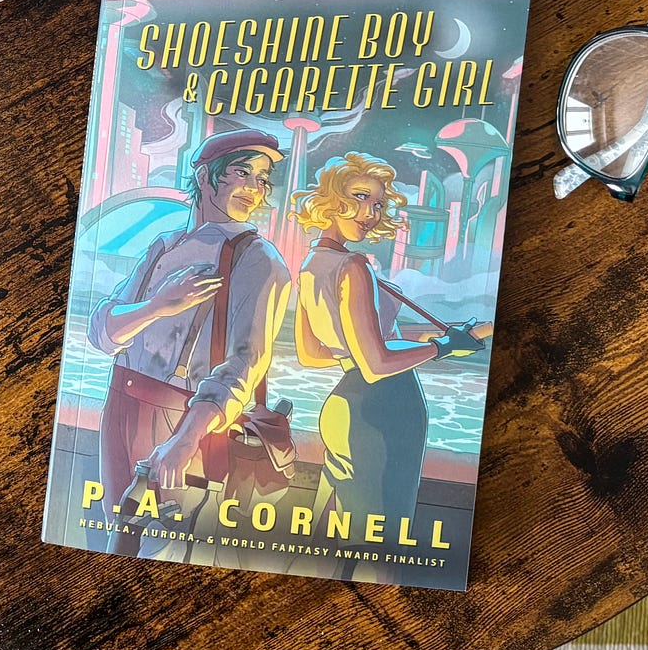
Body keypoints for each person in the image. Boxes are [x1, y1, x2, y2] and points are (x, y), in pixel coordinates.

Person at [87, 129, 290, 559]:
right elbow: (103, 331)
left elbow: (245, 363)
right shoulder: (163, 246)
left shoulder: (259, 260)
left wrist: (185, 439)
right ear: (205, 176)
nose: (254, 189)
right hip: (121, 404)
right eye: (242, 172)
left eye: (262, 179)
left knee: (165, 549)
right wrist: (158, 305)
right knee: (116, 539)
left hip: (182, 418)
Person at [291, 152, 491, 553]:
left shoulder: (312, 264)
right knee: (383, 547)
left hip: (343, 411)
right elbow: (377, 364)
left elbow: (313, 355)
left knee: (344, 539)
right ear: (330, 199)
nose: (370, 212)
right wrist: (442, 346)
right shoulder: (354, 267)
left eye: (379, 203)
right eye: (360, 196)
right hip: (380, 414)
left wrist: (409, 346)